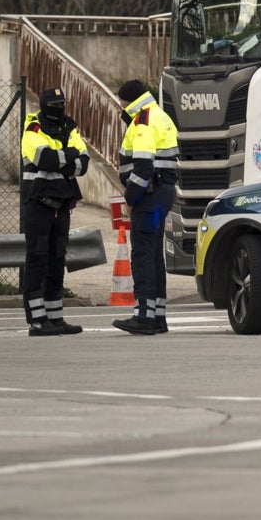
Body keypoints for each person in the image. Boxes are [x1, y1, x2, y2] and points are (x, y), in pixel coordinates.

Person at [20, 87, 89, 336]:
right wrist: (68, 158)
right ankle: (38, 321)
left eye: (62, 104)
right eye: (55, 104)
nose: (59, 109)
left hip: (62, 205)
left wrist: (65, 158)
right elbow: (43, 159)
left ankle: (55, 318)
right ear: (45, 105)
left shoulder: (69, 127)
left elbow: (84, 163)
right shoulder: (33, 129)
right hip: (38, 205)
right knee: (38, 261)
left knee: (57, 262)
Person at [112, 80, 179, 336]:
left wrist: (131, 196)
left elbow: (143, 167)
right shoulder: (161, 116)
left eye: (122, 102)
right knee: (153, 254)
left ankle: (143, 317)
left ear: (129, 101)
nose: (122, 106)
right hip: (162, 195)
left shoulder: (143, 121)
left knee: (142, 253)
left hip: (148, 198)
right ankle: (157, 315)